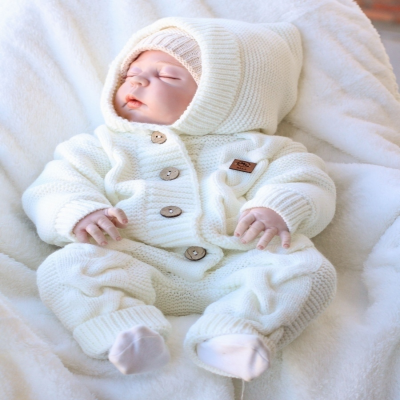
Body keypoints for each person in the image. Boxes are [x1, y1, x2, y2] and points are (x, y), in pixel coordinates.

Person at [22, 17, 337, 382]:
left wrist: (278, 207)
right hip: (132, 260)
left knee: (308, 269)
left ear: (224, 97)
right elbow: (55, 185)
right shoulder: (101, 146)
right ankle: (124, 332)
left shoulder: (257, 151)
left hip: (235, 263)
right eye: (131, 74)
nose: (137, 82)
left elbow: (306, 179)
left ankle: (239, 333)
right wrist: (79, 212)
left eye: (167, 75)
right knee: (66, 267)